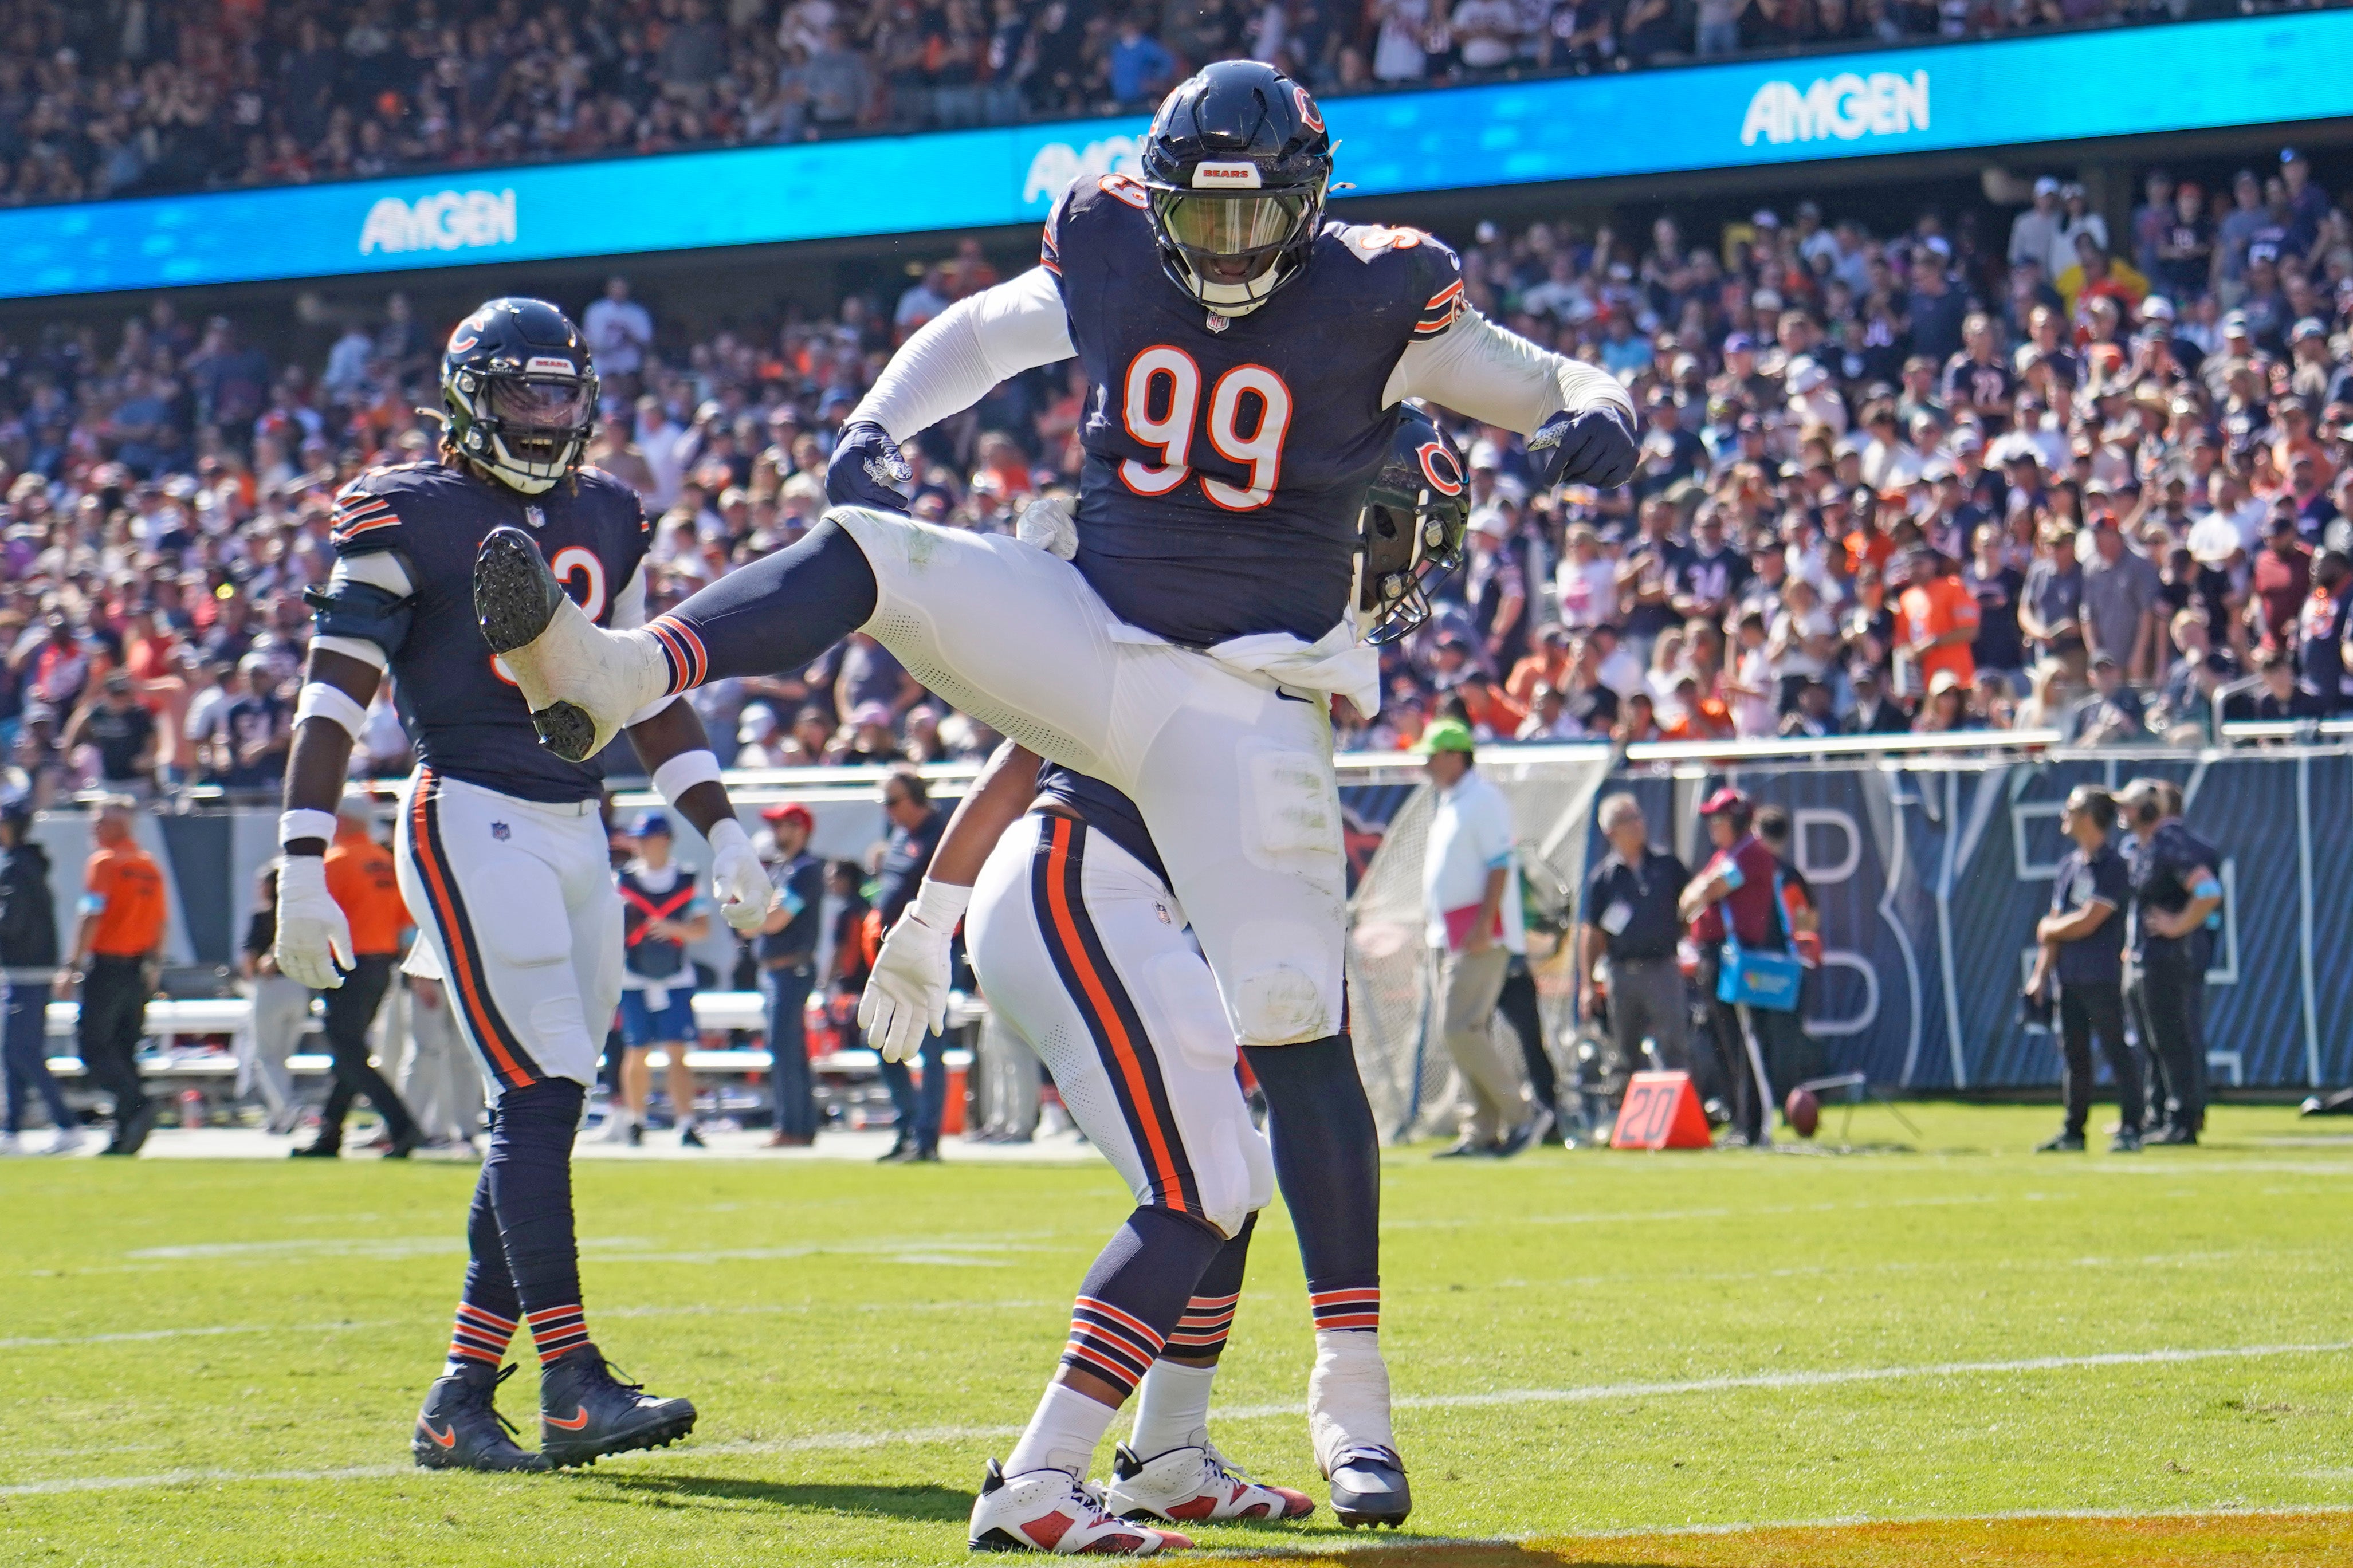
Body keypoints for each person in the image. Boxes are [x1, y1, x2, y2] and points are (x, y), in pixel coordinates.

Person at [474, 61, 1635, 1531]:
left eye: (1247, 224)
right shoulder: (1101, 242)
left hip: (1246, 704)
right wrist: (878, 424)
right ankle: (616, 672)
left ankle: (1346, 1406)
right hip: (1099, 640)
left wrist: (1600, 412)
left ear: (1308, 202)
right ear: (1150, 205)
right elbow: (984, 333)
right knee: (873, 543)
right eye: (1193, 226)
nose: (1219, 257)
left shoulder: (1379, 294)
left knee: (1291, 1038)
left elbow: (1542, 381)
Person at [272, 297, 769, 1475]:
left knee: (540, 1112)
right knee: (539, 1094)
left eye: (560, 393)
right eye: (520, 393)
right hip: (472, 811)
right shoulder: (409, 512)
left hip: (581, 826)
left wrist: (721, 826)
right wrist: (299, 859)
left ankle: (458, 1398)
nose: (545, 416)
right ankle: (572, 1381)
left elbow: (639, 683)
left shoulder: (604, 511)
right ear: (465, 396)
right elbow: (331, 694)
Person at [887, 741, 1313, 1551]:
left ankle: (1169, 1456)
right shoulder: (1216, 616)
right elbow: (1024, 746)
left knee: (1237, 1176)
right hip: (1082, 878)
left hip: (1097, 885)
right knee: (1197, 1187)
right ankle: (1037, 1479)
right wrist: (926, 916)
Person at [1417, 718, 1546, 1157]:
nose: (1425, 765)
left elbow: (1498, 864)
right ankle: (1481, 1129)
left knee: (1456, 1028)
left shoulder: (1483, 798)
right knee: (1463, 1030)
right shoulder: (1454, 799)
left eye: (1432, 756)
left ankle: (1523, 1113)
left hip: (1478, 933)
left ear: (1456, 754)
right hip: (1452, 933)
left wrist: (1482, 924)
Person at [292, 792, 421, 1159]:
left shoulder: (335, 862)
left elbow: (316, 917)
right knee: (349, 1051)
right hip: (381, 965)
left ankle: (402, 1124)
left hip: (347, 965)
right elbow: (404, 924)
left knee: (348, 1052)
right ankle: (330, 1135)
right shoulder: (385, 862)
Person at [1678, 788, 1803, 1147]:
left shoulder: (1750, 852)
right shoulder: (1726, 854)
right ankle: (1740, 1121)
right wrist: (1697, 894)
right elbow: (1688, 898)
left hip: (1739, 958)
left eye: (1718, 819)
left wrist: (1699, 893)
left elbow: (1709, 890)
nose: (1712, 827)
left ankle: (1757, 1124)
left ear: (1736, 819)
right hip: (1714, 956)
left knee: (1747, 1039)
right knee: (1725, 1041)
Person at [2029, 786, 2141, 1155]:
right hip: (2070, 978)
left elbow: (2090, 920)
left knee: (2116, 1052)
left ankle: (2131, 1128)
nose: (2065, 814)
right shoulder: (2069, 866)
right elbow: (2059, 924)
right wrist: (2040, 975)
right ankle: (2073, 1132)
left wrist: (2049, 928)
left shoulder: (2114, 867)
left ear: (2091, 817)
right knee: (2074, 1058)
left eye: (2072, 808)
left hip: (2103, 975)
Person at [2117, 779, 2221, 1147]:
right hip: (2147, 957)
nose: (2122, 813)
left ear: (2147, 810)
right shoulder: (2145, 847)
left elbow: (2208, 891)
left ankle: (2182, 1120)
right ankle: (2160, 1114)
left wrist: (2177, 925)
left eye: (2129, 806)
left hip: (2167, 960)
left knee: (2172, 1041)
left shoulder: (2168, 846)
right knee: (2152, 1041)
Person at [57, 797, 164, 1156]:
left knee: (93, 1046)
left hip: (106, 966)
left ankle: (136, 1103)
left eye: (100, 821)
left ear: (118, 827)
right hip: (137, 969)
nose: (93, 827)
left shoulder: (105, 863)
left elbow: (92, 914)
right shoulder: (149, 867)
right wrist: (154, 966)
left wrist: (72, 965)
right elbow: (161, 922)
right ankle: (126, 1130)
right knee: (124, 1048)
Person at [607, 811, 710, 1150]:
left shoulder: (689, 879)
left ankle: (686, 1121)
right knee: (636, 1050)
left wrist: (671, 930)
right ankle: (635, 1120)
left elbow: (702, 929)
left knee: (677, 1052)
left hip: (676, 976)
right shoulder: (621, 882)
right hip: (634, 977)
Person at [1578, 792, 1692, 1077]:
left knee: (1674, 1048)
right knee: (1625, 1054)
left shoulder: (1668, 866)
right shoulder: (1604, 879)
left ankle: (1679, 1116)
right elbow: (1592, 933)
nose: (1637, 824)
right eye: (1627, 819)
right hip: (1622, 973)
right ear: (1610, 831)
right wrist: (1587, 985)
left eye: (1638, 816)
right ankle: (1629, 1117)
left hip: (1663, 970)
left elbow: (1689, 910)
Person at [871, 768, 949, 1163]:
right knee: (883, 1042)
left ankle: (926, 1138)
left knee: (928, 1046)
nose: (888, 812)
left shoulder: (942, 834)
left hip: (924, 954)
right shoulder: (899, 835)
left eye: (893, 802)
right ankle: (906, 1127)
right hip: (887, 953)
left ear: (916, 797)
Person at [0, 800, 81, 1154]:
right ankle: (12, 1131)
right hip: (32, 969)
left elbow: (11, 925)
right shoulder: (30, 867)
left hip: (26, 972)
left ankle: (67, 1124)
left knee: (22, 1050)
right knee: (13, 1050)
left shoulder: (16, 871)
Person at [756, 802, 825, 1147]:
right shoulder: (783, 870)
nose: (774, 832)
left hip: (791, 970)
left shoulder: (806, 870)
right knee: (787, 1050)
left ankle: (792, 1127)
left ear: (799, 829)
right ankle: (799, 1127)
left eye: (781, 825)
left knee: (785, 1049)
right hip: (775, 971)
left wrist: (755, 914)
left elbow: (773, 919)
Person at [236, 861, 308, 1137]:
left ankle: (286, 1108)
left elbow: (249, 957)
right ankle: (279, 1116)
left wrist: (248, 977)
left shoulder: (263, 915)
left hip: (271, 988)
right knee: (282, 1057)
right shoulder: (297, 917)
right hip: (299, 987)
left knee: (266, 1056)